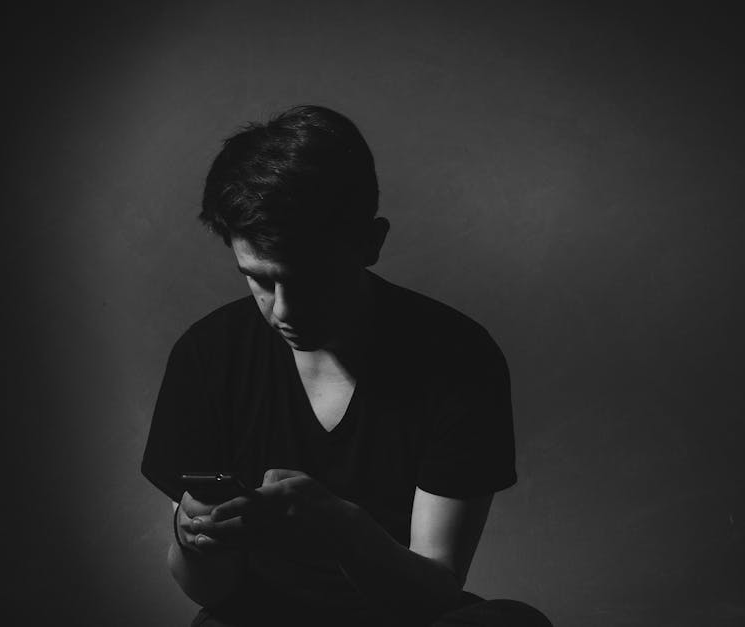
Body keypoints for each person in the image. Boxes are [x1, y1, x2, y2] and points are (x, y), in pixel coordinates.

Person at [141, 105, 552, 627]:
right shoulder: (207, 356)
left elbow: (432, 594)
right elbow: (212, 593)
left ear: (371, 243)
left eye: (309, 279)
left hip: (400, 617)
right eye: (260, 280)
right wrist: (193, 539)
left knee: (512, 624)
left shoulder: (459, 356)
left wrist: (341, 528)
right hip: (256, 620)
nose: (284, 311)